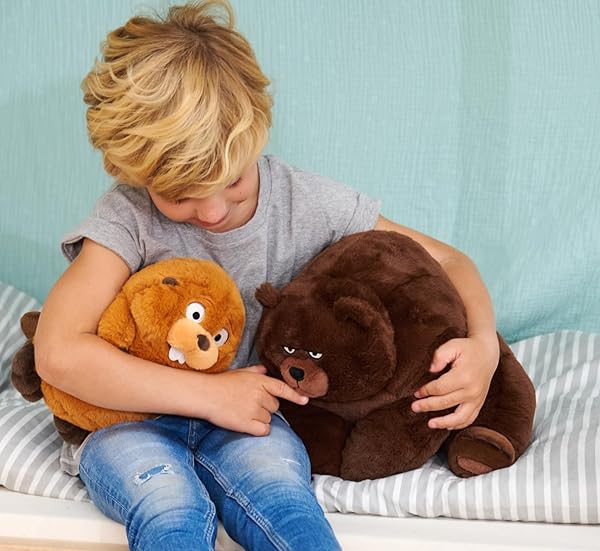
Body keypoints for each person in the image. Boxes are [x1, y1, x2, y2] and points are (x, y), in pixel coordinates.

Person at [34, 1, 500, 550]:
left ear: (256, 133)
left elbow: (449, 262)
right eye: (179, 195)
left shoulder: (306, 202)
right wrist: (208, 395)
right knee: (169, 507)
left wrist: (484, 344)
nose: (212, 212)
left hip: (254, 419)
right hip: (128, 420)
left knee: (282, 500)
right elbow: (58, 351)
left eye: (233, 181)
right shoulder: (127, 218)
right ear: (135, 173)